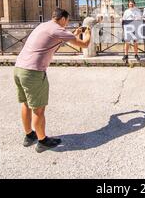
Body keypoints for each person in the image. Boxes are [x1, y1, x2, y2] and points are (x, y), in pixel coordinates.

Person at [14, 8, 91, 153]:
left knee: (26, 104)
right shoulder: (58, 29)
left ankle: (29, 135)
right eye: (66, 21)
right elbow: (85, 44)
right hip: (33, 72)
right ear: (62, 19)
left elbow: (54, 45)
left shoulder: (43, 26)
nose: (66, 24)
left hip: (19, 69)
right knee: (39, 109)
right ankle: (42, 141)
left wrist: (72, 35)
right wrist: (88, 33)